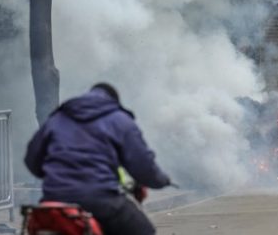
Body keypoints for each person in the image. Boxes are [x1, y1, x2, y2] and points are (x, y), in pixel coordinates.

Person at [25, 83, 171, 235]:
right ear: (113, 101)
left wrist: (56, 176)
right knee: (144, 230)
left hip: (54, 201)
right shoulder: (119, 120)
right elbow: (143, 166)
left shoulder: (57, 118)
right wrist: (162, 180)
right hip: (100, 199)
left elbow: (32, 161)